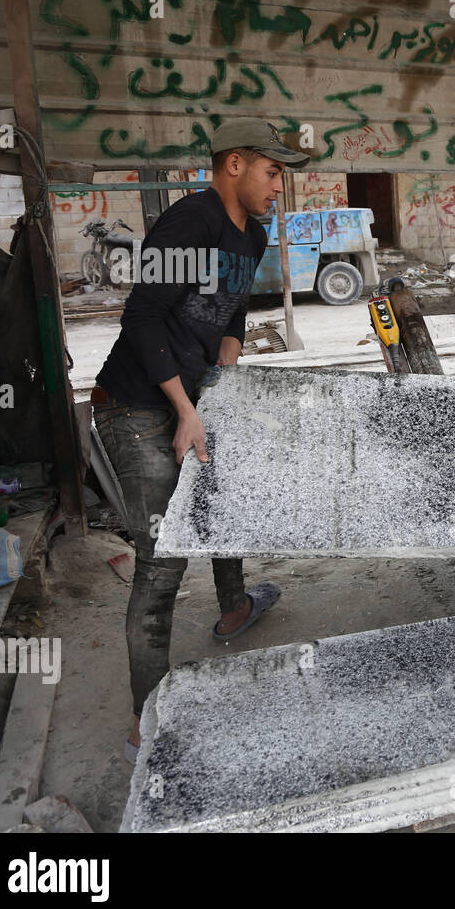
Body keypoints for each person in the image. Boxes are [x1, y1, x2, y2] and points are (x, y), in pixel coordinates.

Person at [93, 118, 309, 761]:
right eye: (274, 173)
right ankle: (144, 729)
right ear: (235, 164)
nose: (280, 187)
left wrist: (227, 375)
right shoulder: (191, 223)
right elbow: (142, 316)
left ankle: (236, 608)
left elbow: (233, 313)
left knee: (222, 502)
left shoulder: (253, 233)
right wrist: (187, 410)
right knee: (160, 568)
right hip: (136, 408)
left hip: (193, 395)